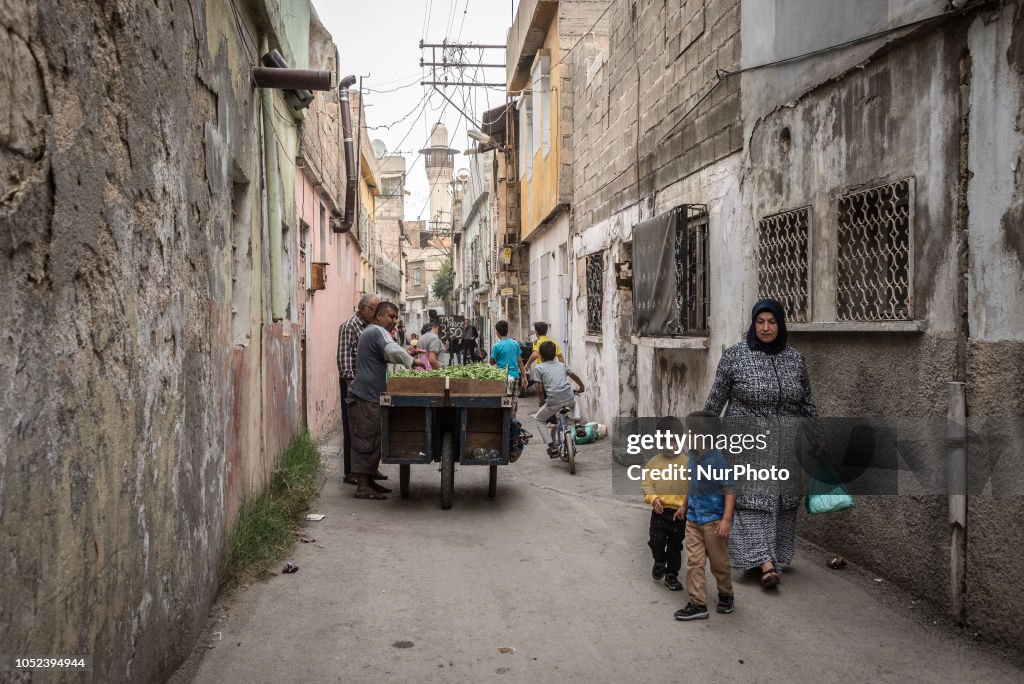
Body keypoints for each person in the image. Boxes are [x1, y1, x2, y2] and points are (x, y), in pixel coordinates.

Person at [704, 298, 820, 589]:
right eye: (760, 322)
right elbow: (715, 401)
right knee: (751, 502)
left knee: (782, 501)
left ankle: (773, 558)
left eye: (772, 322)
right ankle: (763, 562)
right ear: (753, 324)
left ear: (780, 324)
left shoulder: (795, 359)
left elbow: (806, 402)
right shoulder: (735, 357)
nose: (766, 328)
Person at [346, 302, 417, 499]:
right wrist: (412, 361)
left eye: (396, 317)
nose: (394, 321)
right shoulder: (376, 331)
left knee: (374, 439)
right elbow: (392, 350)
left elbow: (388, 353)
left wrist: (405, 354)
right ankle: (362, 487)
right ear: (379, 316)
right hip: (365, 397)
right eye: (391, 316)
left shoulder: (374, 332)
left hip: (370, 396)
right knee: (365, 440)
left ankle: (369, 482)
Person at [674, 411, 736, 620]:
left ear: (701, 436)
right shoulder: (692, 455)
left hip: (714, 523)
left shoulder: (718, 462)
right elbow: (691, 485)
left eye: (688, 432)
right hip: (693, 519)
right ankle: (697, 603)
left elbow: (730, 491)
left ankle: (726, 594)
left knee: (719, 563)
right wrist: (684, 506)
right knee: (694, 562)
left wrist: (726, 520)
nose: (685, 435)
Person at [337, 293, 385, 486]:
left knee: (370, 429)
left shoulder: (371, 328)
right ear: (363, 309)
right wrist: (351, 388)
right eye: (375, 310)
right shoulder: (350, 326)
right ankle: (352, 472)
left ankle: (368, 470)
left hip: (368, 386)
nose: (377, 314)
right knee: (354, 429)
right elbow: (344, 359)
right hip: (355, 386)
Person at [641, 416, 689, 592]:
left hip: (680, 514)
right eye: (664, 441)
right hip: (659, 513)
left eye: (673, 441)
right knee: (657, 541)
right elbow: (647, 484)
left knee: (675, 548)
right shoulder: (654, 463)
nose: (669, 445)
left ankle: (671, 575)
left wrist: (687, 506)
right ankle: (659, 561)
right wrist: (653, 499)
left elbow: (694, 486)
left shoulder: (688, 463)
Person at [530, 341, 585, 457]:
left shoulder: (539, 368)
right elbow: (575, 376)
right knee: (574, 404)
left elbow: (540, 390)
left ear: (541, 356)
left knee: (539, 420)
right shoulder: (561, 365)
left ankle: (551, 447)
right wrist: (582, 387)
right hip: (568, 396)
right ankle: (578, 423)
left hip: (553, 401)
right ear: (555, 355)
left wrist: (541, 402)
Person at [489, 320, 528, 398]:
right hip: (514, 376)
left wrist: (497, 360)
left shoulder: (497, 346)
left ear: (497, 332)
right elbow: (520, 362)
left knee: (503, 401)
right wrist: (524, 377)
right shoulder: (515, 343)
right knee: (513, 401)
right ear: (507, 330)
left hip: (502, 376)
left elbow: (491, 362)